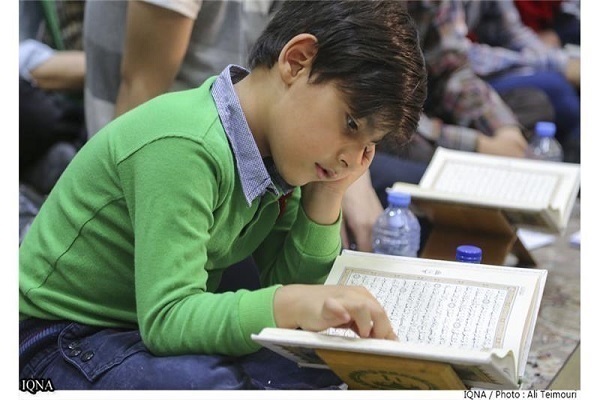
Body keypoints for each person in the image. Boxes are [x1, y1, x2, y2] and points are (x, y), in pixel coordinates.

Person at [19, 0, 427, 390]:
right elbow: (168, 319)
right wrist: (291, 304)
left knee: (322, 366)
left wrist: (328, 196)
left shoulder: (281, 157)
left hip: (134, 330)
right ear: (297, 60)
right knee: (210, 384)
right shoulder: (185, 145)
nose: (352, 159)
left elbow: (300, 297)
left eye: (368, 145)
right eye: (351, 124)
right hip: (56, 337)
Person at [464, 0, 580, 163]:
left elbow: (512, 33)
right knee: (558, 92)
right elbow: (462, 59)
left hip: (471, 74)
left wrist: (562, 62)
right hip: (459, 78)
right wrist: (560, 65)